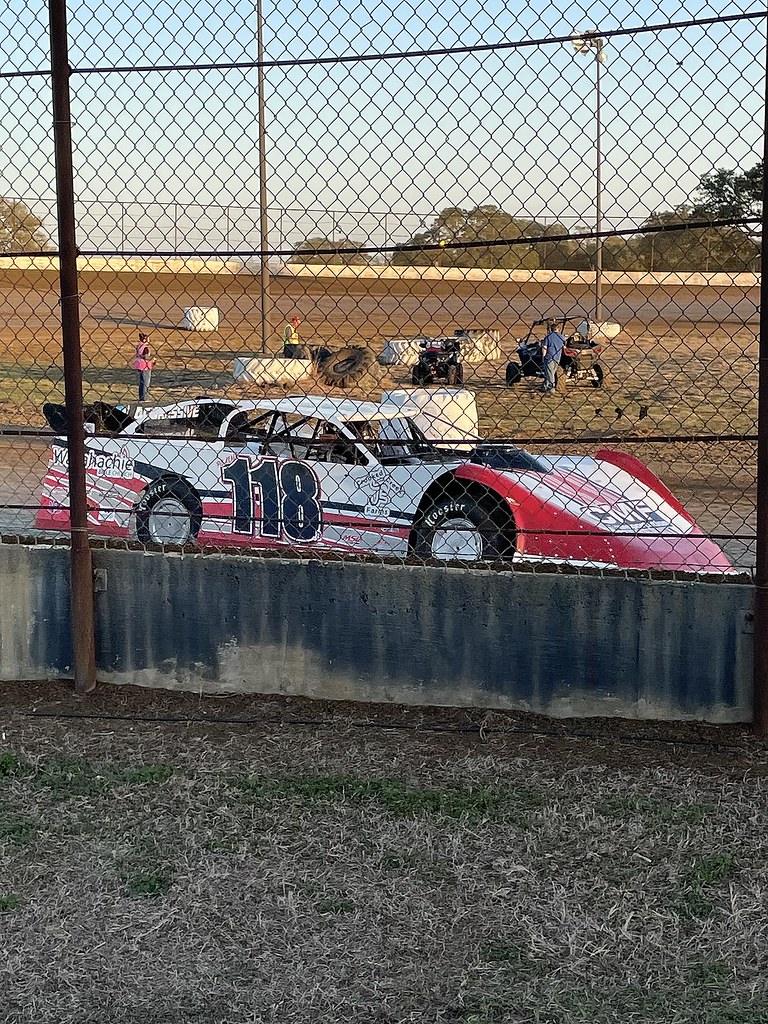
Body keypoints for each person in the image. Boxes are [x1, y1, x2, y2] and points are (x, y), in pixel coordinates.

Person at [540, 320, 566, 394]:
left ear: (551, 329)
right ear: (558, 329)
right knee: (551, 373)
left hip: (549, 357)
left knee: (550, 373)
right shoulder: (562, 338)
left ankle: (552, 389)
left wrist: (543, 357)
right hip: (557, 358)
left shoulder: (548, 337)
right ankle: (545, 386)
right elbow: (564, 347)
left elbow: (544, 347)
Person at [132, 332, 155, 401]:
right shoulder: (145, 348)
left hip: (139, 365)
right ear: (145, 339)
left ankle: (141, 397)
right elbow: (146, 357)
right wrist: (153, 360)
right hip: (145, 366)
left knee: (141, 382)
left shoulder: (139, 346)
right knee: (146, 382)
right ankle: (144, 397)